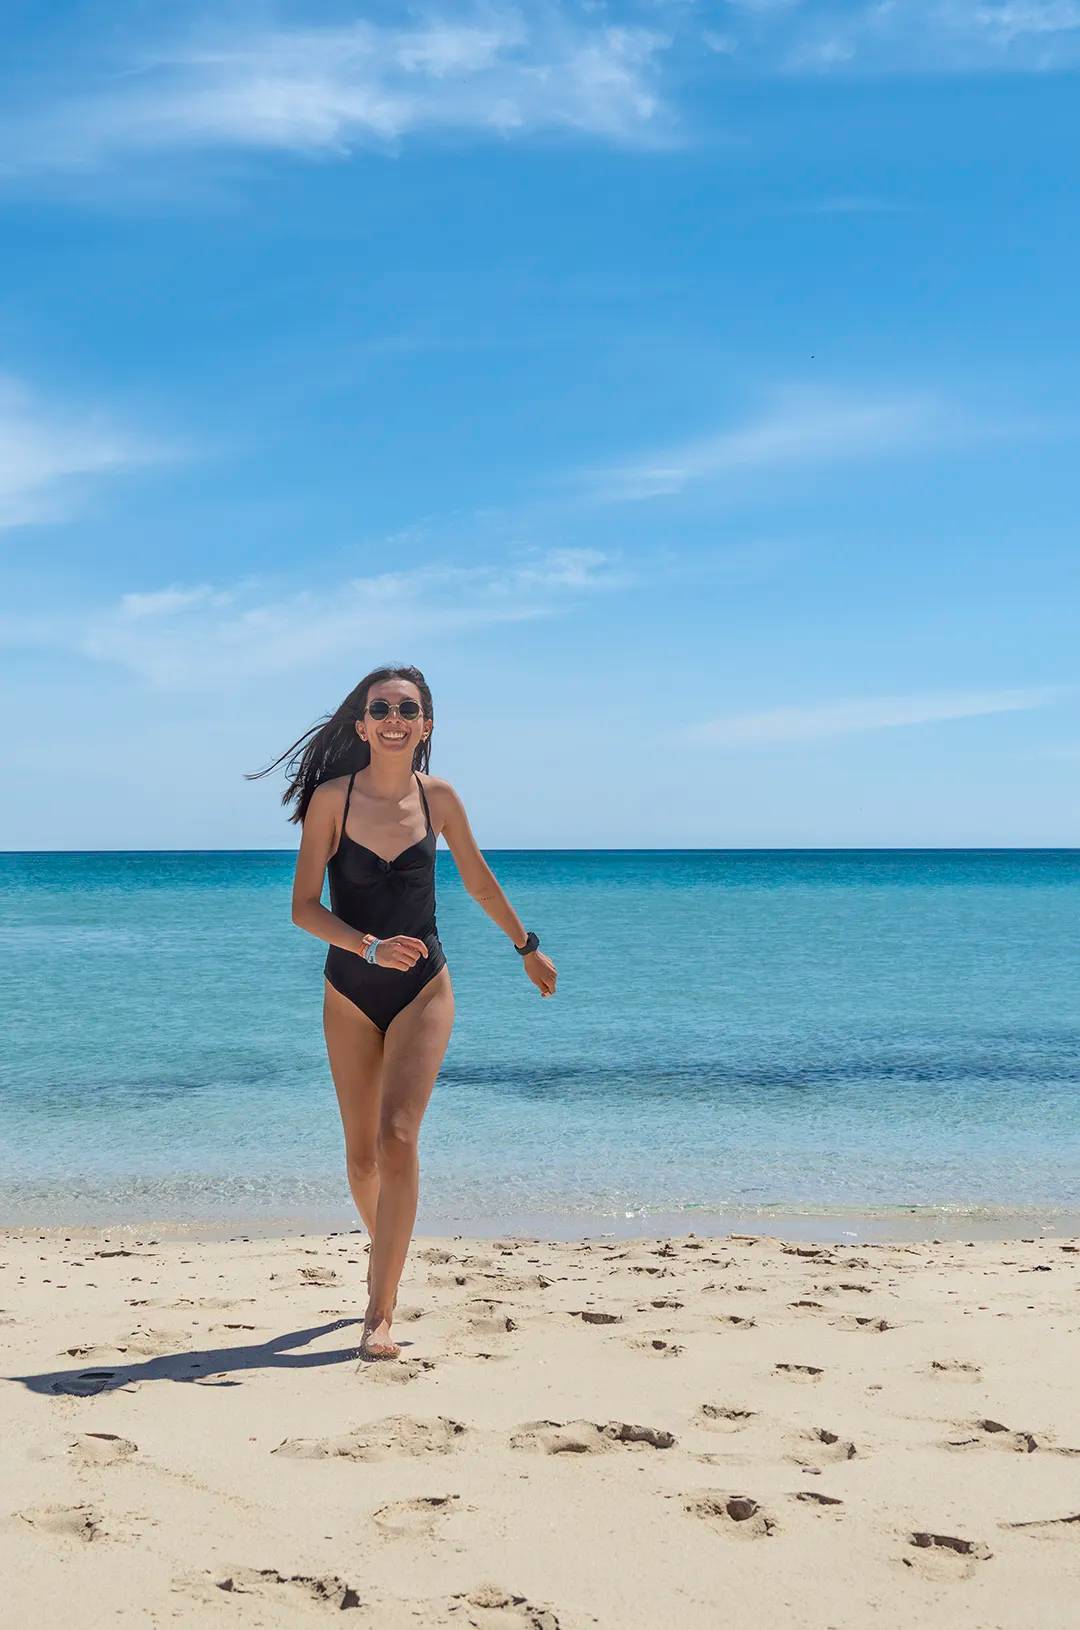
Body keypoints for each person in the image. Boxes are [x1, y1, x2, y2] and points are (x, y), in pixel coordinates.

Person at [250, 664, 557, 1360]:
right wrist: (365, 945)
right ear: (361, 724)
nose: (394, 717)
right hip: (348, 991)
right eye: (380, 706)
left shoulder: (439, 797)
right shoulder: (331, 799)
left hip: (425, 988)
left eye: (408, 708)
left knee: (397, 1139)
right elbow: (302, 907)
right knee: (361, 1161)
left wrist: (525, 947)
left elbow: (476, 879)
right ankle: (389, 1246)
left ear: (426, 725)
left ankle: (379, 1309)